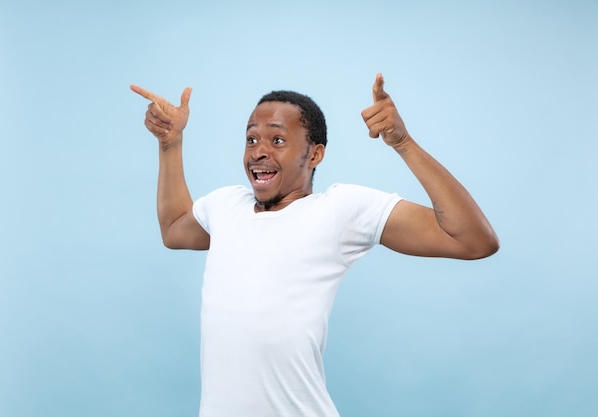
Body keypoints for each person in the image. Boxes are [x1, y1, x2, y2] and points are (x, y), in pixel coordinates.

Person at [130, 73, 499, 417]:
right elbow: (175, 228)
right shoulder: (226, 205)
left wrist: (403, 143)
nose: (258, 151)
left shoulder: (340, 209)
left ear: (315, 154)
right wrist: (170, 143)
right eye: (251, 139)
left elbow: (473, 239)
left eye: (277, 140)